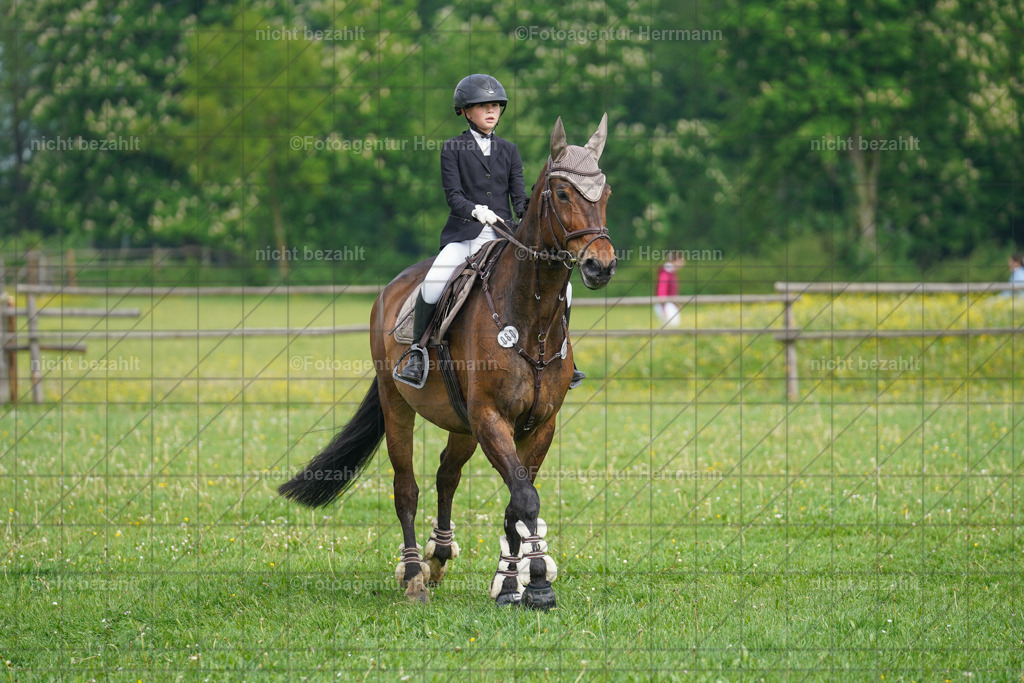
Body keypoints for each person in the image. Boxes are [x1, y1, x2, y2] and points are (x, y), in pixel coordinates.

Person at [397, 73, 584, 389]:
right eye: (483, 105)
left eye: (496, 105)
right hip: (465, 235)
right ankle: (417, 352)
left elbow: (519, 201)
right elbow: (453, 195)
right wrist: (474, 209)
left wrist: (540, 207)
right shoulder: (452, 148)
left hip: (504, 237)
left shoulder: (509, 150)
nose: (491, 110)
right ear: (466, 111)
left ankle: (564, 352)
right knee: (434, 281)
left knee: (564, 288)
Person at [654, 253, 685, 326]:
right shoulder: (665, 273)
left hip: (669, 303)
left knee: (673, 326)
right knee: (672, 325)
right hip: (665, 304)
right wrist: (663, 307)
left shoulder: (671, 272)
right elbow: (662, 290)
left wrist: (676, 303)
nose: (682, 264)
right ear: (675, 261)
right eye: (680, 261)